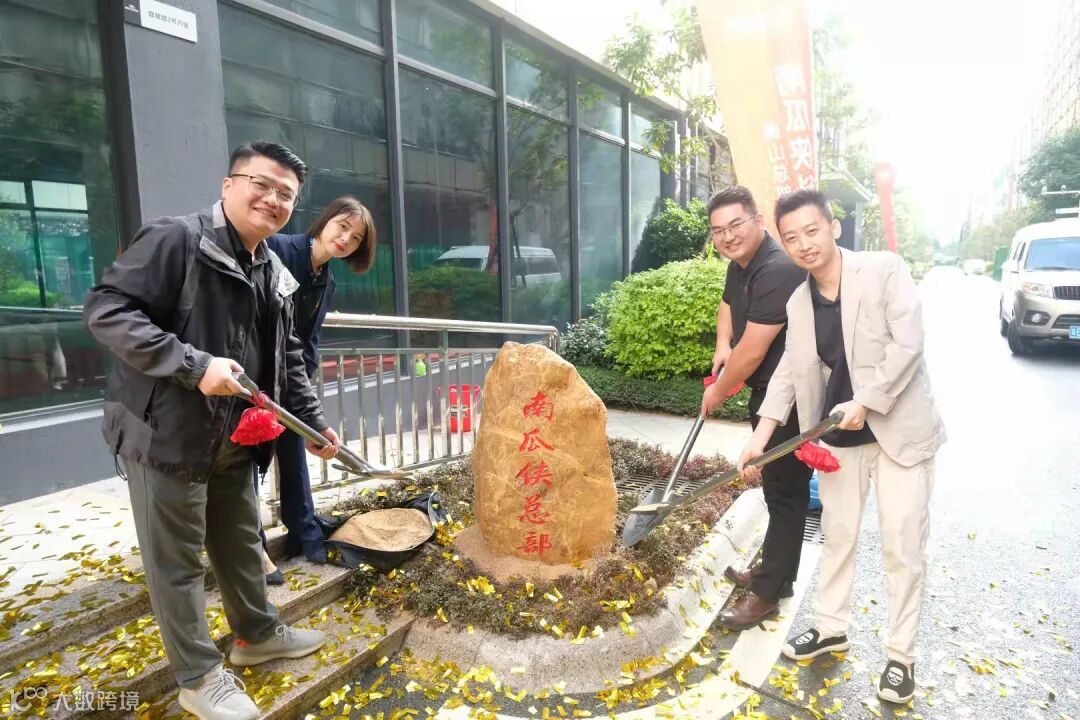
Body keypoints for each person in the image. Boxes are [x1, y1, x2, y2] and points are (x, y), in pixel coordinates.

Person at [84, 140, 342, 720]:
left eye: (286, 194)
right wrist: (192, 365)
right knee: (177, 563)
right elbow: (106, 310)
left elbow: (287, 356)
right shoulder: (176, 240)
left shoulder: (272, 268)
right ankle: (198, 678)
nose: (272, 199)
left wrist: (313, 423)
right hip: (166, 433)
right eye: (261, 184)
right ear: (229, 185)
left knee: (240, 540)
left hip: (235, 438)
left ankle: (257, 634)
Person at [738, 189, 946, 705]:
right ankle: (831, 627)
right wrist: (759, 437)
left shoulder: (882, 270)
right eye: (792, 238)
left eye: (812, 230)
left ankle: (900, 657)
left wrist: (867, 401)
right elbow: (788, 373)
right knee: (837, 536)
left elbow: (909, 343)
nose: (804, 244)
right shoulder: (798, 302)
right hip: (838, 436)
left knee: (902, 546)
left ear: (833, 227)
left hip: (899, 433)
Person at [698, 186, 813, 630]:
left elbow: (752, 352)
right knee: (778, 490)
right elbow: (728, 307)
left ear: (758, 221)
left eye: (736, 225)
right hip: (767, 393)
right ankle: (775, 576)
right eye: (718, 231)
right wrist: (721, 345)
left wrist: (717, 392)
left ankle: (767, 592)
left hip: (790, 398)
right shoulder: (741, 265)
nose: (727, 236)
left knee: (786, 493)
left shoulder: (778, 268)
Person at [260, 196, 377, 580]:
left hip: (290, 381)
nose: (345, 239)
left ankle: (304, 535)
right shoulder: (277, 248)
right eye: (342, 226)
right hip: (252, 376)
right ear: (325, 221)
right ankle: (252, 549)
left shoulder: (326, 282)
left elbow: (307, 343)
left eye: (356, 238)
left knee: (295, 453)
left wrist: (306, 400)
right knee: (249, 465)